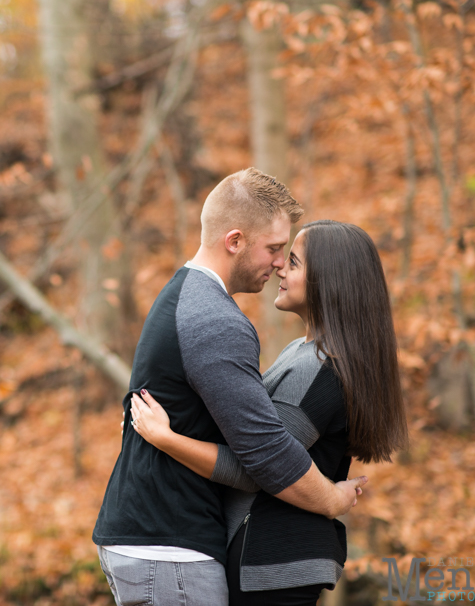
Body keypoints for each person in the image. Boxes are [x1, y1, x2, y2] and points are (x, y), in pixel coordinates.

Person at [92, 169, 368, 606]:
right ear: (235, 240)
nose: (280, 262)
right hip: (169, 546)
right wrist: (332, 499)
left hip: (156, 536)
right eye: (276, 249)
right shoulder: (217, 322)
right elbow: (267, 457)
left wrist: (168, 437)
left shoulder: (184, 295)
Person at [129, 219, 409, 606]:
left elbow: (258, 468)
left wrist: (167, 439)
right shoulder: (304, 352)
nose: (279, 267)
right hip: (269, 557)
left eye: (293, 262)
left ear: (328, 281)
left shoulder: (321, 369)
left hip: (272, 562)